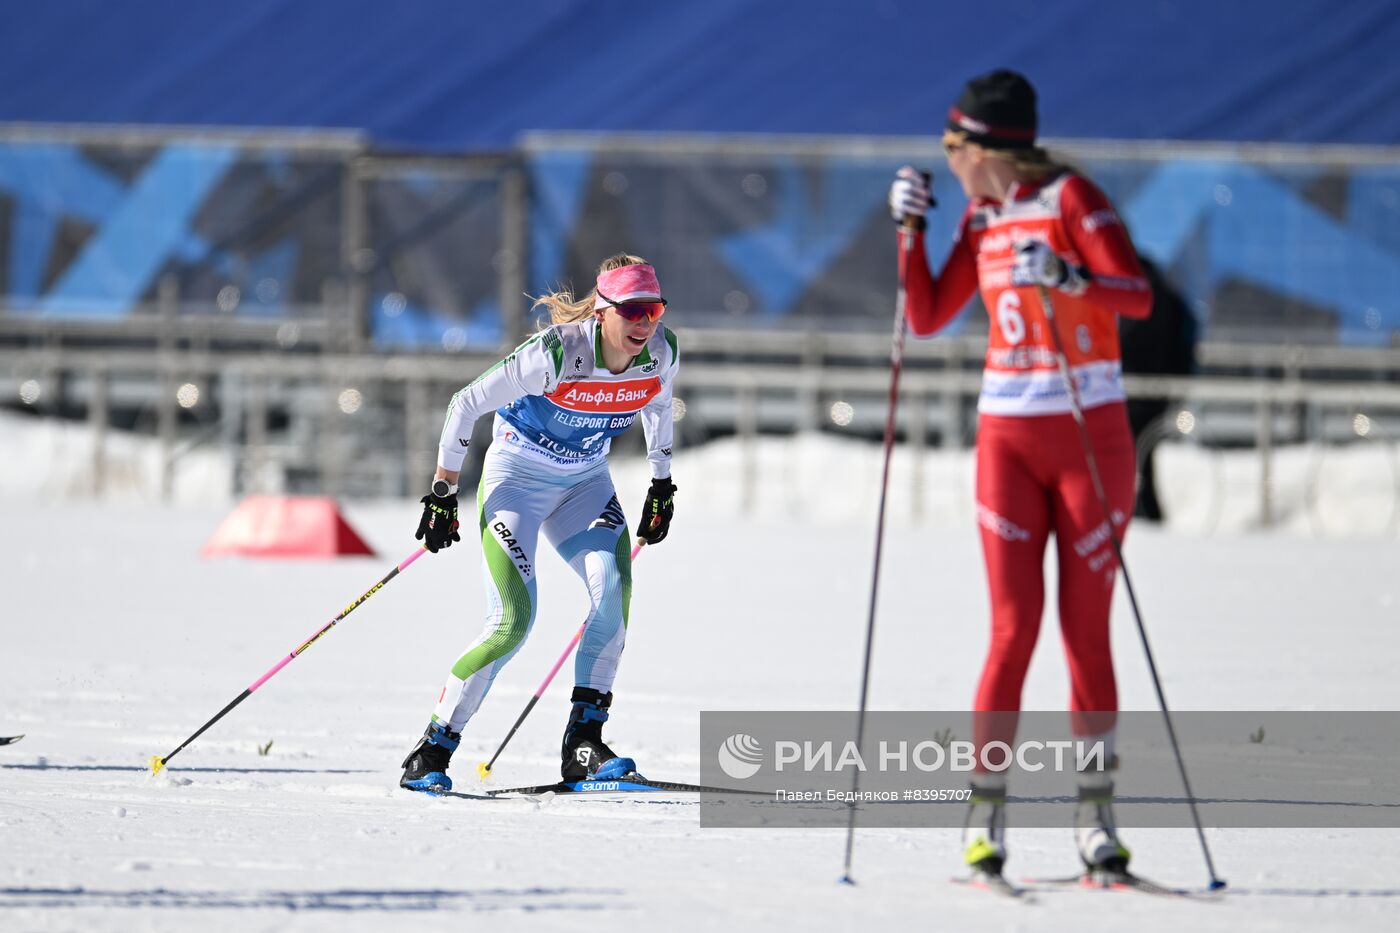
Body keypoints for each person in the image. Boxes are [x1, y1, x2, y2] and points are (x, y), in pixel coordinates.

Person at [887, 69, 1152, 878]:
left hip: (1088, 434)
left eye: (952, 145)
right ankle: (987, 812)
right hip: (1007, 436)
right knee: (1010, 629)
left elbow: (1135, 295)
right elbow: (929, 317)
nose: (946, 156)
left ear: (987, 146)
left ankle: (1095, 816)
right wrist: (907, 234)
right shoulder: (980, 211)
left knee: (1084, 631)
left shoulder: (1072, 198)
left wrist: (1071, 276)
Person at [399, 254, 680, 793]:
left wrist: (662, 483)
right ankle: (432, 749)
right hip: (516, 482)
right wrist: (442, 492)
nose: (646, 323)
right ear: (603, 312)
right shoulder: (558, 352)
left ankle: (584, 746)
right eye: (635, 311)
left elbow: (659, 407)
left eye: (655, 309)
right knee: (512, 621)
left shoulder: (660, 353)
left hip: (583, 485)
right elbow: (465, 404)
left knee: (612, 596)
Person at [1119, 256, 1198, 522]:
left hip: (1137, 388)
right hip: (1154, 389)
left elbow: (1131, 340)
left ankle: (1142, 512)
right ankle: (1146, 510)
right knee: (1142, 455)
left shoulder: (1140, 291)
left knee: (1134, 455)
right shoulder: (1161, 287)